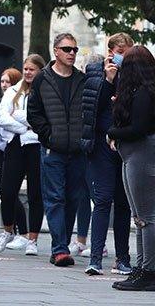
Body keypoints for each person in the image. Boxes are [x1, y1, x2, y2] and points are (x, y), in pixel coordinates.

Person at [28, 32, 88, 268]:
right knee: (54, 198)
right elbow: (33, 112)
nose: (72, 53)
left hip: (77, 150)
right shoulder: (42, 79)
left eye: (74, 49)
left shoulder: (82, 79)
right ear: (56, 51)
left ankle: (63, 243)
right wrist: (48, 136)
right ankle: (60, 248)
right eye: (67, 49)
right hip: (53, 149)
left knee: (73, 197)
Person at [82, 33, 134, 276]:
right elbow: (92, 105)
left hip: (125, 144)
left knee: (123, 203)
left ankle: (122, 258)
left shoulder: (135, 74)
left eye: (129, 49)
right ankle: (95, 258)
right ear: (111, 50)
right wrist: (108, 80)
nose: (125, 54)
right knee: (102, 200)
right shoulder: (95, 71)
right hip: (101, 144)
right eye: (121, 49)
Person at [107, 46, 155, 291]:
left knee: (146, 217)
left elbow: (138, 129)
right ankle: (142, 268)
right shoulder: (141, 92)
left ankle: (148, 270)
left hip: (142, 154)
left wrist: (112, 132)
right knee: (140, 218)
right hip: (135, 155)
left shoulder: (145, 94)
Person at [0, 63, 41, 255]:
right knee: (7, 190)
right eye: (26, 69)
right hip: (15, 142)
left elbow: (39, 119)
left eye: (32, 69)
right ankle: (8, 230)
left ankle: (32, 239)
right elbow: (2, 118)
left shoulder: (43, 91)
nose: (28, 72)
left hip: (36, 144)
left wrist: (20, 116)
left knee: (35, 193)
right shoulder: (13, 91)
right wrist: (24, 126)